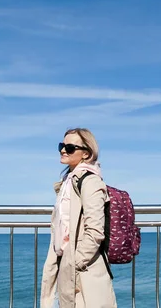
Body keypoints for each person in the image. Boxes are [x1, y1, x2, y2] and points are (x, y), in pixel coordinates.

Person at [41, 128, 117, 307]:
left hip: (84, 270)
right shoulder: (69, 182)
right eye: (61, 145)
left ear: (86, 153)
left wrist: (75, 262)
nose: (62, 150)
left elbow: (95, 231)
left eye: (69, 147)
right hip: (68, 264)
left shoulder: (90, 181)